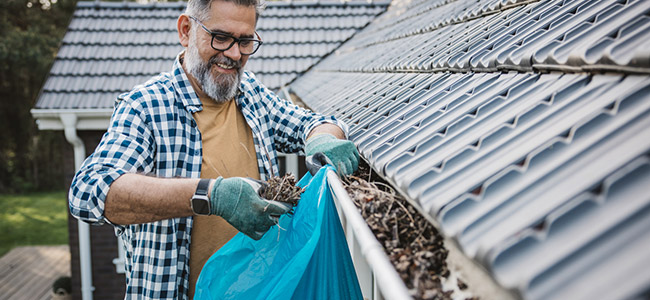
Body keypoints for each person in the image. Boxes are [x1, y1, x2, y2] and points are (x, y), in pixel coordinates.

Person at [68, 0, 359, 298]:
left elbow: (316, 124)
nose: (234, 54)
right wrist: (211, 196)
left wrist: (324, 138)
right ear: (186, 30)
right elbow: (89, 191)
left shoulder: (251, 95)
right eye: (220, 37)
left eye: (245, 41)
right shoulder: (145, 108)